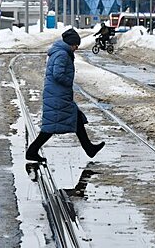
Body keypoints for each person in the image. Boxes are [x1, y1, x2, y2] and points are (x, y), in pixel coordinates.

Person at [26, 28, 105, 162]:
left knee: (76, 118)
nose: (76, 48)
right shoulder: (62, 54)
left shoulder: (60, 52)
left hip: (58, 93)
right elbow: (58, 74)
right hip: (57, 94)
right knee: (52, 125)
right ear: (70, 43)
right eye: (75, 45)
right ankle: (32, 151)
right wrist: (69, 82)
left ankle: (89, 148)